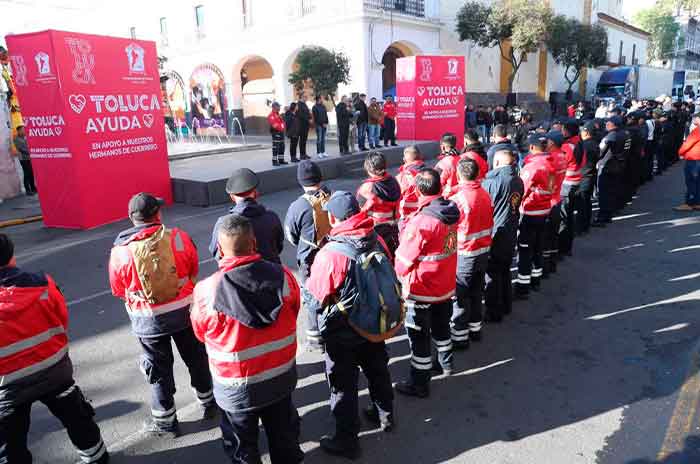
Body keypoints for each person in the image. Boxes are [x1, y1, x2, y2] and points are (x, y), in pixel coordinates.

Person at [191, 215, 304, 464]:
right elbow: (293, 313)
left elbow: (201, 333)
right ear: (254, 243)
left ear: (220, 249)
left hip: (235, 389)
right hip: (280, 378)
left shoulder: (206, 292)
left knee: (243, 449)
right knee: (285, 440)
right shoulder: (284, 277)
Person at [109, 193, 216, 437]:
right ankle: (209, 402)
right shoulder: (178, 237)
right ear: (158, 214)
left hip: (148, 321)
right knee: (196, 358)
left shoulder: (120, 251)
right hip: (184, 313)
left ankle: (167, 422)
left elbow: (118, 290)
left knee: (158, 369)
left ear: (131, 218)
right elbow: (193, 269)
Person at [0, 234, 109, 464]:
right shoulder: (42, 283)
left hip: (8, 386)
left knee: (10, 444)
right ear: (12, 256)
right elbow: (62, 319)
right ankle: (97, 458)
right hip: (54, 370)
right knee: (77, 419)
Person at [305, 191, 395, 459]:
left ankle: (347, 439)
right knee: (378, 367)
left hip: (344, 329)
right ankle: (385, 413)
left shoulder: (332, 253)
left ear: (333, 217)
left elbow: (315, 298)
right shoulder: (376, 237)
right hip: (374, 323)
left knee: (343, 384)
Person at [394, 169, 460, 397]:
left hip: (423, 288)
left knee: (419, 337)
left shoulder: (422, 222)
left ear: (419, 190)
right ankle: (446, 363)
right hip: (446, 285)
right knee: (442, 328)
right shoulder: (451, 211)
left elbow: (402, 261)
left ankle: (419, 383)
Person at [284, 160, 332, 346]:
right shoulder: (333, 196)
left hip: (310, 258)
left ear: (301, 181)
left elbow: (291, 235)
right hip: (334, 253)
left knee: (312, 295)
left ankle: (315, 337)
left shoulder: (298, 206)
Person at [449, 158, 494, 346]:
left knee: (460, 296)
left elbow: (449, 228)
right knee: (476, 292)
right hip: (483, 251)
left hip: (464, 254)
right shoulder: (485, 193)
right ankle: (476, 330)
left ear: (459, 175)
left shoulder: (457, 199)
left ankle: (460, 337)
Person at [482, 148, 524, 322]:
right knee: (505, 270)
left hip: (496, 233)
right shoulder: (518, 180)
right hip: (511, 230)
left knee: (492, 275)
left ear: (497, 163)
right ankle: (506, 304)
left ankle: (494, 311)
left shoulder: (493, 182)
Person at [209, 168, 284, 263]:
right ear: (256, 193)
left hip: (237, 275)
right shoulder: (271, 218)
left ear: (232, 197)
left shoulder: (222, 224)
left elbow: (216, 253)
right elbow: (278, 247)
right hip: (272, 273)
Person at [515, 134, 555, 299]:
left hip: (530, 211)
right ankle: (536, 279)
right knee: (538, 246)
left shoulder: (532, 167)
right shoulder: (550, 162)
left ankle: (523, 287)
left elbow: (521, 190)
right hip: (544, 209)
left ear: (532, 147)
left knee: (525, 249)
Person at [357, 151, 401, 254]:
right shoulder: (394, 181)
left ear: (368, 168)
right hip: (393, 227)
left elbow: (360, 211)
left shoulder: (368, 188)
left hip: (375, 230)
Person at [593, 116, 629, 227]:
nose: (606, 125)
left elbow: (600, 152)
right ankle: (608, 214)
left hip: (608, 166)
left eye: (608, 123)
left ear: (614, 125)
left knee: (603, 193)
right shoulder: (625, 134)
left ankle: (602, 217)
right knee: (612, 191)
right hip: (619, 165)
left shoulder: (611, 136)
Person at [560, 121, 586, 257]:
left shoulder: (567, 146)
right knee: (569, 216)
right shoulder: (579, 142)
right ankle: (567, 247)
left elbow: (560, 165)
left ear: (567, 131)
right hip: (576, 182)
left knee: (564, 218)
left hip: (567, 184)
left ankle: (563, 248)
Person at [543, 131, 566, 276]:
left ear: (551, 143)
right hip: (557, 199)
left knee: (545, 238)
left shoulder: (550, 159)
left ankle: (545, 269)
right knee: (553, 236)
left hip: (548, 202)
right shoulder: (562, 156)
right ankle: (552, 264)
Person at [674, 112, 700, 211]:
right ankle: (697, 202)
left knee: (691, 181)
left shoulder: (697, 130)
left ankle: (689, 203)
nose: (693, 120)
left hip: (694, 159)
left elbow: (688, 143)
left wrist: (680, 152)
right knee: (697, 182)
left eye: (695, 118)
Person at [577, 122, 600, 234]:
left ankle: (581, 227)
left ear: (586, 132)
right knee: (587, 202)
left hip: (584, 176)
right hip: (591, 175)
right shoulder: (595, 144)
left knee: (582, 203)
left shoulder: (585, 145)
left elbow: (581, 162)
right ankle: (585, 225)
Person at [396, 145, 426, 220]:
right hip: (426, 214)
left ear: (404, 159)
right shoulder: (431, 173)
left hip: (407, 217)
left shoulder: (401, 177)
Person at [434, 132, 461, 197]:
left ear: (442, 147)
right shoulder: (463, 159)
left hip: (447, 196)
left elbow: (436, 182)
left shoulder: (441, 164)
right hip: (461, 195)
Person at [12, 125, 37, 195]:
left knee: (31, 173)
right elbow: (21, 149)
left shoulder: (26, 137)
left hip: (29, 158)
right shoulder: (16, 139)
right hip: (23, 158)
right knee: (26, 173)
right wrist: (30, 152)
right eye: (23, 130)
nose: (24, 131)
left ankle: (33, 188)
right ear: (19, 131)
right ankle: (28, 190)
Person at [268, 102, 287, 166]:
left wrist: (282, 126)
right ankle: (274, 161)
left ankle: (281, 160)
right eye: (278, 106)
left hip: (281, 133)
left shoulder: (278, 114)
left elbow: (283, 123)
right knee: (276, 147)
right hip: (276, 133)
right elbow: (275, 125)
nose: (279, 108)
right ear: (274, 107)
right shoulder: (271, 115)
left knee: (282, 147)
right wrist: (281, 126)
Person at [297, 95, 312, 160]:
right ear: (302, 97)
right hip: (301, 125)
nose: (306, 98)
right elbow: (301, 115)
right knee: (302, 140)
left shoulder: (304, 104)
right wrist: (308, 119)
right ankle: (302, 155)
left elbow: (307, 112)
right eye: (305, 97)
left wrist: (310, 118)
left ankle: (304, 154)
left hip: (306, 125)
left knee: (304, 140)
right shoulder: (299, 104)